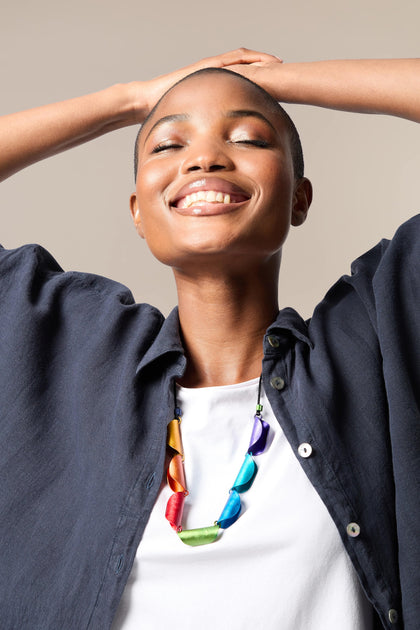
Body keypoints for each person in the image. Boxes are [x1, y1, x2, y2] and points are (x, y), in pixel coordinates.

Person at [0, 49, 419, 630]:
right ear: (138, 211)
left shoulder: (371, 344)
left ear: (300, 196)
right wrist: (131, 99)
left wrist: (275, 82)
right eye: (168, 145)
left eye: (248, 137)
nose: (204, 158)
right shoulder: (71, 354)